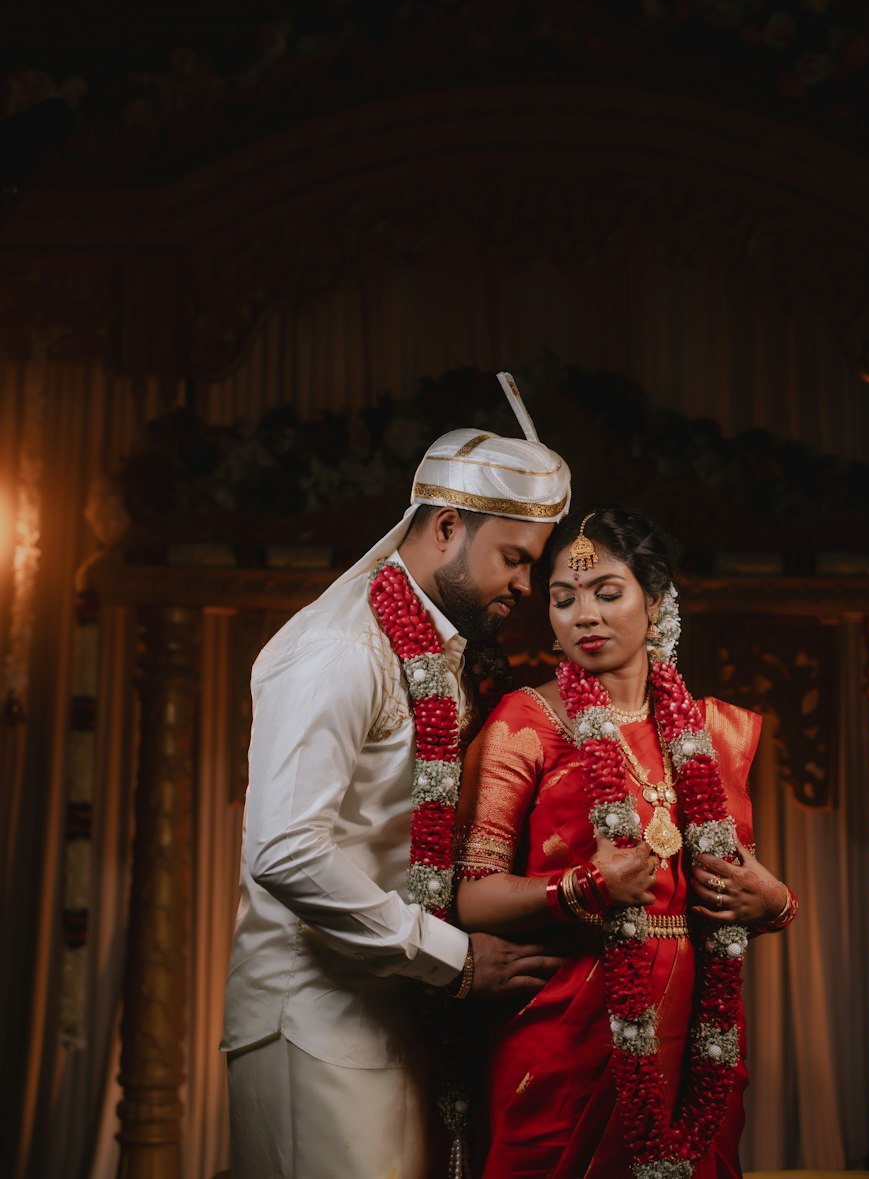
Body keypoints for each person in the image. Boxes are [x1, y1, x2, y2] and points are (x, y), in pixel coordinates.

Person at [221, 375, 572, 1179]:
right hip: (315, 1022)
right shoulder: (342, 648)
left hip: (398, 1007)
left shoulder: (445, 651)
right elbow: (286, 851)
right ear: (447, 526)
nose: (526, 586)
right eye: (513, 558)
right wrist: (454, 957)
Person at [455, 506, 798, 1179]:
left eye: (607, 592)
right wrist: (584, 886)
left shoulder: (713, 732)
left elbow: (734, 889)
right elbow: (470, 898)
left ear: (657, 601)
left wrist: (776, 902)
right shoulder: (528, 722)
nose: (584, 614)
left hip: (697, 1035)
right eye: (563, 598)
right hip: (565, 1031)